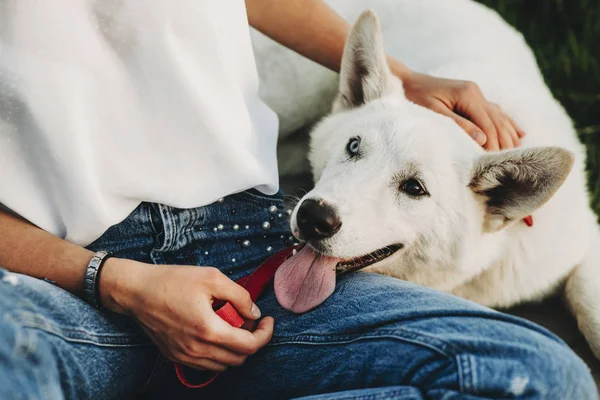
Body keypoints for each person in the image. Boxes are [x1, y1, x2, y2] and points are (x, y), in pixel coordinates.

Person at [0, 0, 595, 399]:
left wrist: (403, 77)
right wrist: (116, 281)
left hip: (248, 240)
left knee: (544, 379)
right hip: (62, 273)